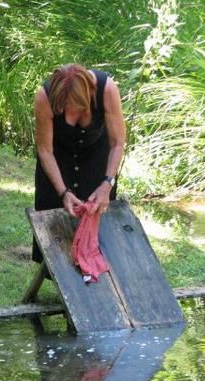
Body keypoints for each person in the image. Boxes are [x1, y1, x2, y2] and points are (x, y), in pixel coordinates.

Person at [32, 63, 126, 264]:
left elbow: (118, 143)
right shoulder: (44, 97)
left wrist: (107, 183)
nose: (67, 111)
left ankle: (100, 284)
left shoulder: (106, 89)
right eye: (63, 106)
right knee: (55, 230)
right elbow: (45, 151)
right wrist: (63, 192)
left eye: (73, 105)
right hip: (58, 159)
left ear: (88, 94)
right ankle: (65, 284)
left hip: (97, 159)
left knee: (98, 225)